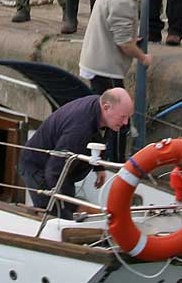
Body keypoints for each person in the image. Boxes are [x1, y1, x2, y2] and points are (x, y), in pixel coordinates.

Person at [78, 0, 158, 161]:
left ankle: (103, 158)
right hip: (105, 67)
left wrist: (131, 37)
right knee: (119, 120)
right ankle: (115, 163)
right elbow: (123, 44)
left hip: (98, 62)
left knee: (107, 117)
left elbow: (118, 29)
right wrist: (143, 57)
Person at [17, 88, 133, 219]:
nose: (125, 123)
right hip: (39, 168)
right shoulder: (79, 129)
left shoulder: (99, 109)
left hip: (62, 168)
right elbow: (54, 172)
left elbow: (97, 136)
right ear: (106, 107)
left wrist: (98, 166)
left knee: (68, 207)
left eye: (128, 117)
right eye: (123, 117)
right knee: (58, 215)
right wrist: (72, 206)